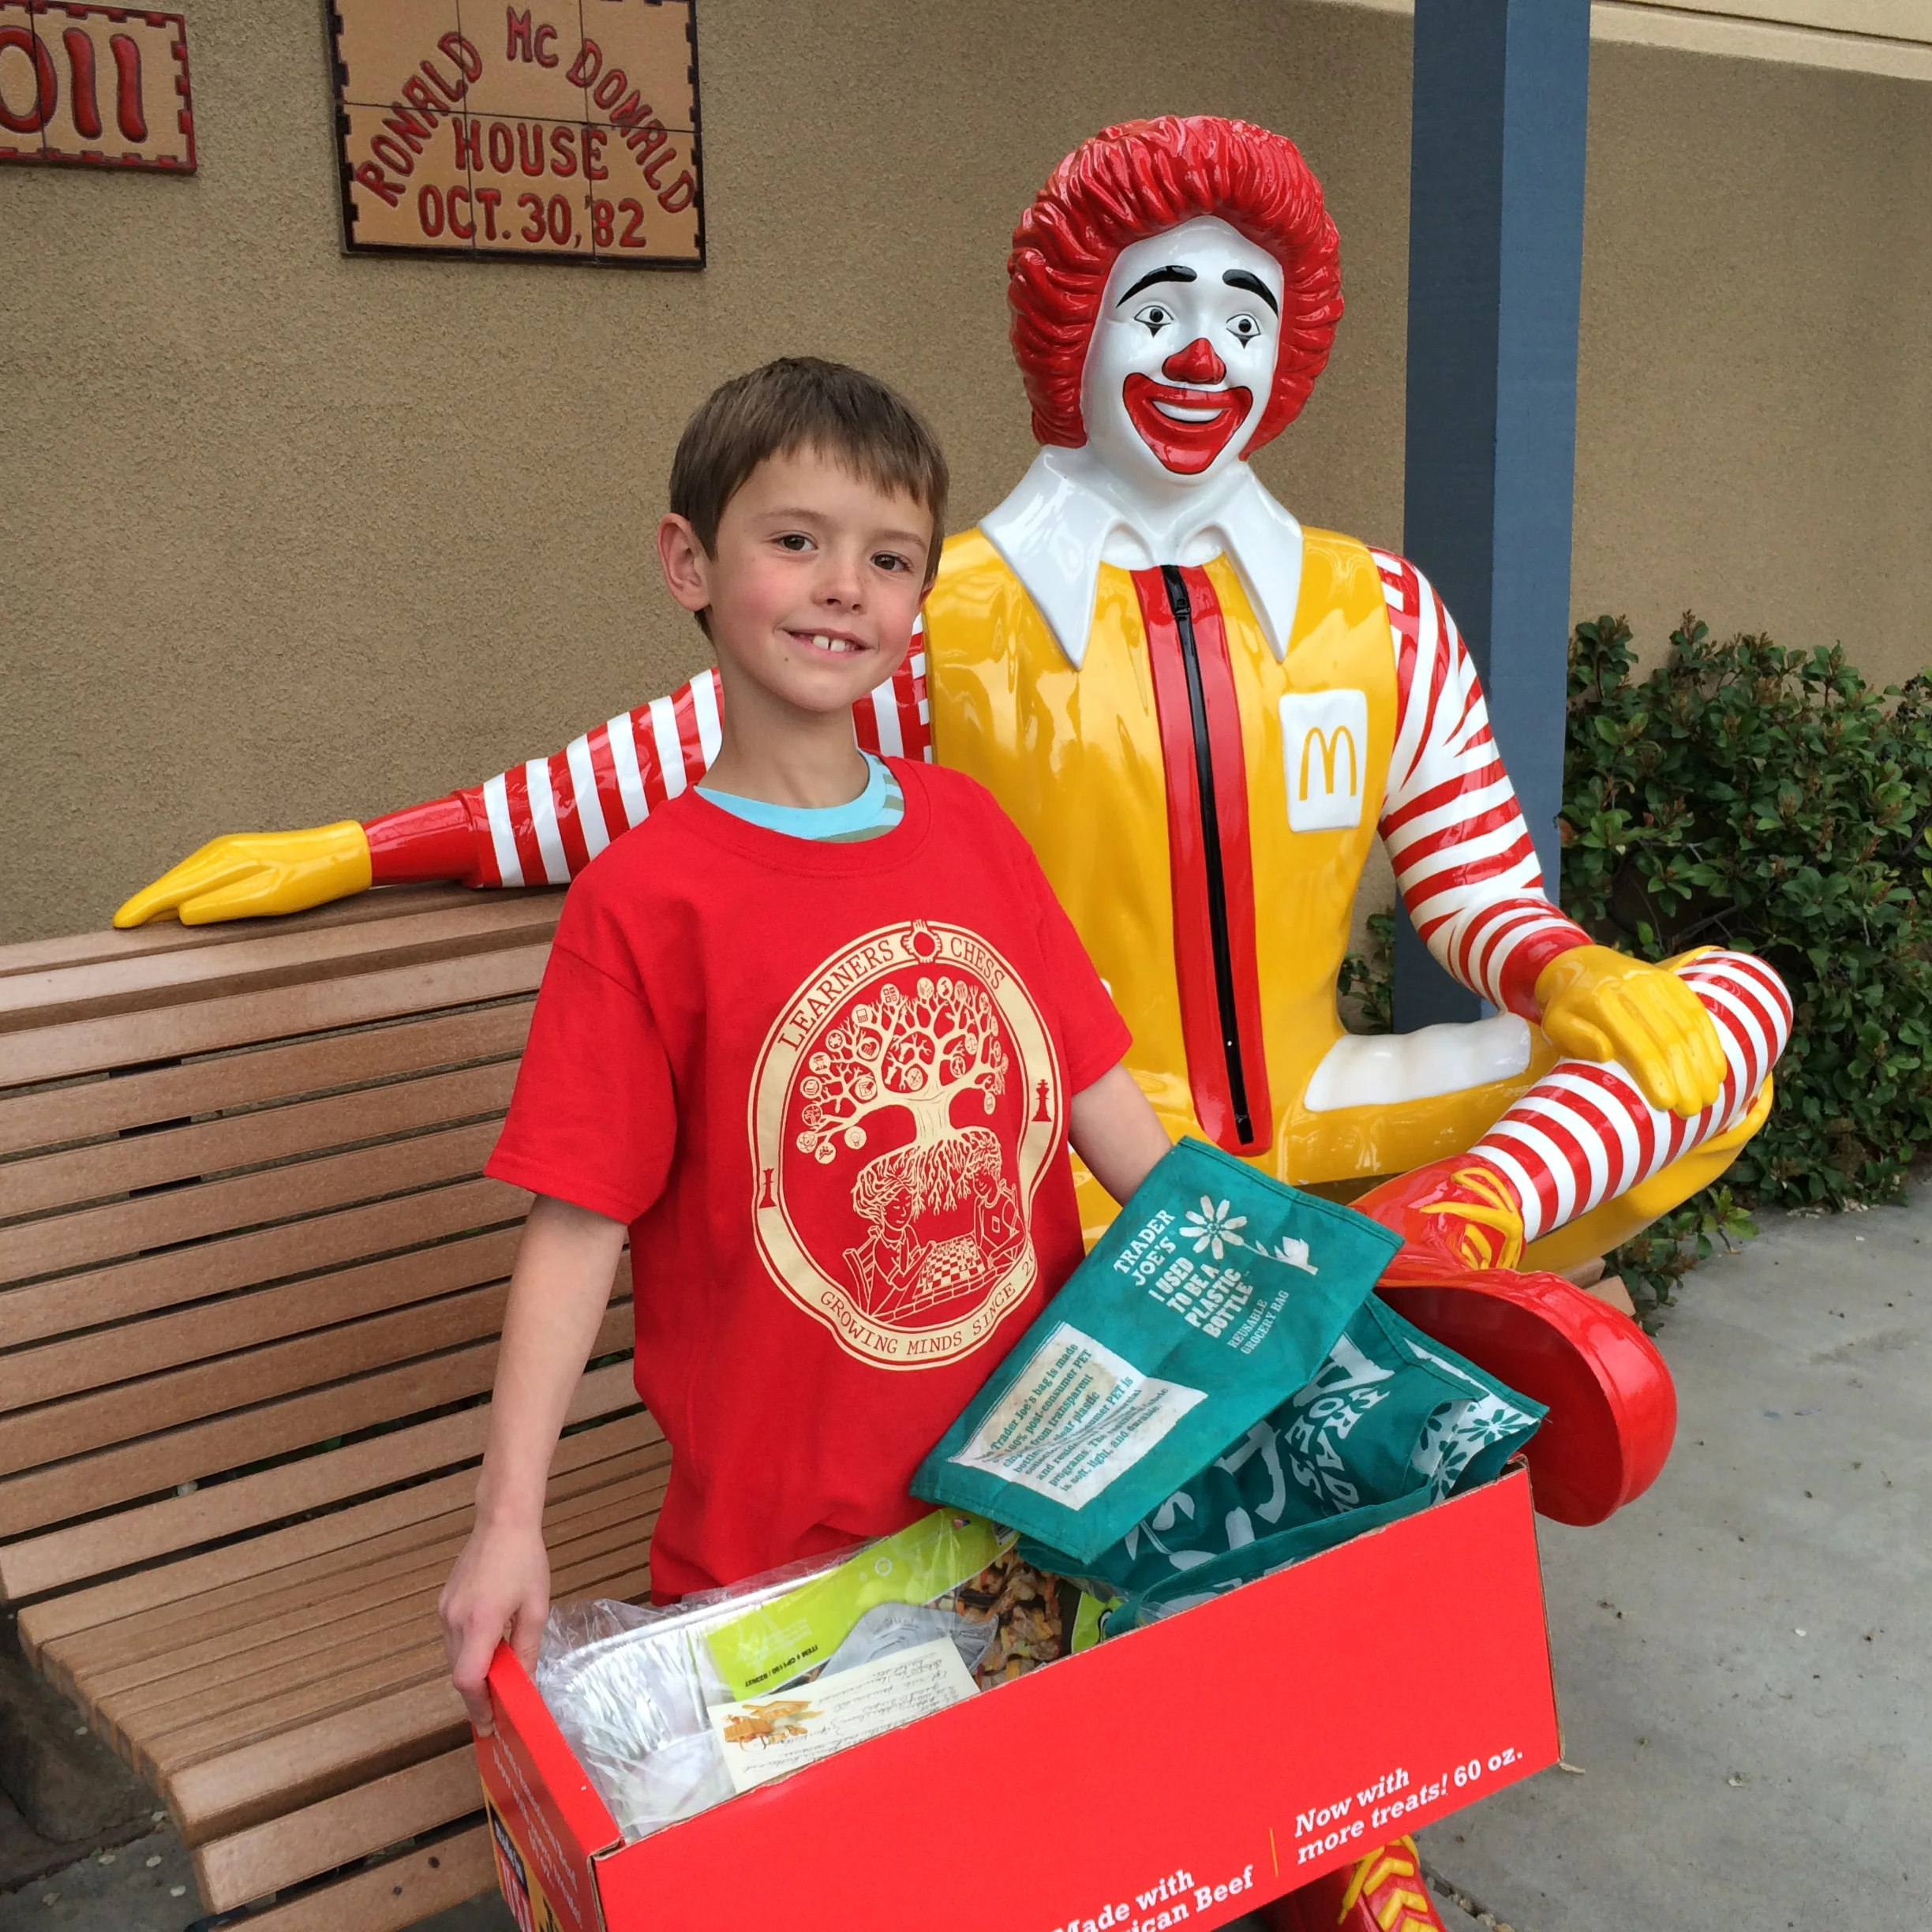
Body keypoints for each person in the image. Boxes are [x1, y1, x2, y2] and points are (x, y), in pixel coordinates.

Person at [435, 358, 1174, 1735]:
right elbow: (576, 1227)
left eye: (890, 558)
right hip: (784, 1563)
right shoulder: (645, 903)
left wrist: (1289, 1301)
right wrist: (508, 1523)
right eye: (796, 540)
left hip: (1039, 1499)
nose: (847, 586)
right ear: (688, 561)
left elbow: (1106, 1112)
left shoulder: (973, 836)